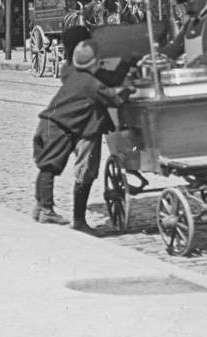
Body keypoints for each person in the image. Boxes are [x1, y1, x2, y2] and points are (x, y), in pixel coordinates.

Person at [31, 39, 133, 230]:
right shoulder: (91, 83)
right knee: (68, 169)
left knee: (48, 167)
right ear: (95, 63)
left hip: (50, 125)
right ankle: (60, 215)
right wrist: (130, 90)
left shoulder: (72, 73)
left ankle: (41, 207)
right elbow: (115, 99)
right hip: (62, 126)